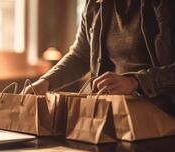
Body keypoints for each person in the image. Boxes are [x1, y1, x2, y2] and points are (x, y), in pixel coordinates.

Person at [25, 0, 175, 116]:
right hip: (111, 115)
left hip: (162, 117)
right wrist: (46, 82)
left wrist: (135, 82)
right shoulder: (95, 4)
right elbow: (80, 55)